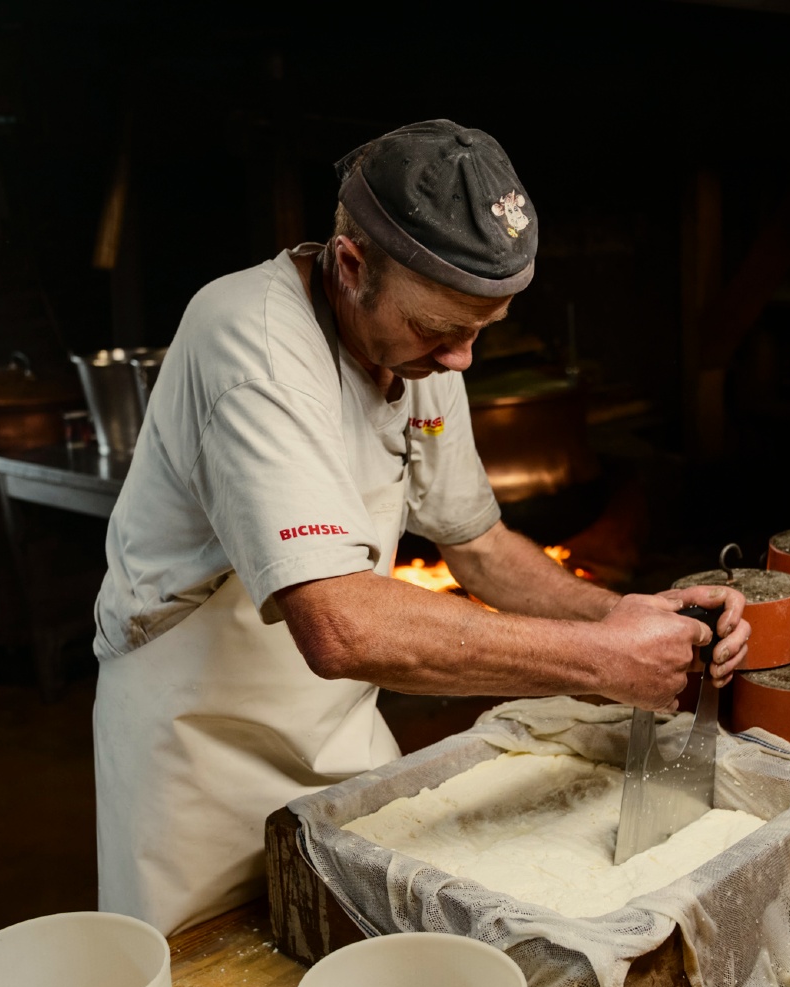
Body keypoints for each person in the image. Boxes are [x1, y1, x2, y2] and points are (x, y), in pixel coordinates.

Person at [91, 119, 751, 935]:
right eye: (441, 330)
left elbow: (479, 547)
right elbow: (338, 626)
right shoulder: (251, 343)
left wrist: (620, 614)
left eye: (480, 330)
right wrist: (599, 661)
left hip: (339, 727)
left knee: (370, 959)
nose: (460, 360)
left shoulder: (419, 344)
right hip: (201, 746)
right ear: (352, 263)